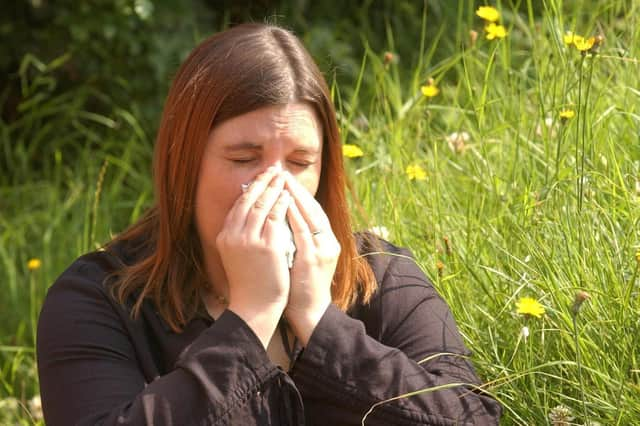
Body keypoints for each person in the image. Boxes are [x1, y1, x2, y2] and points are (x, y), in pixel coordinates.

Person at [36, 23, 502, 425]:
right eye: (244, 158)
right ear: (185, 164)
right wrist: (251, 319)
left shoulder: (381, 275)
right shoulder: (98, 299)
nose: (276, 185)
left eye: (300, 161)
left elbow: (472, 417)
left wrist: (319, 321)